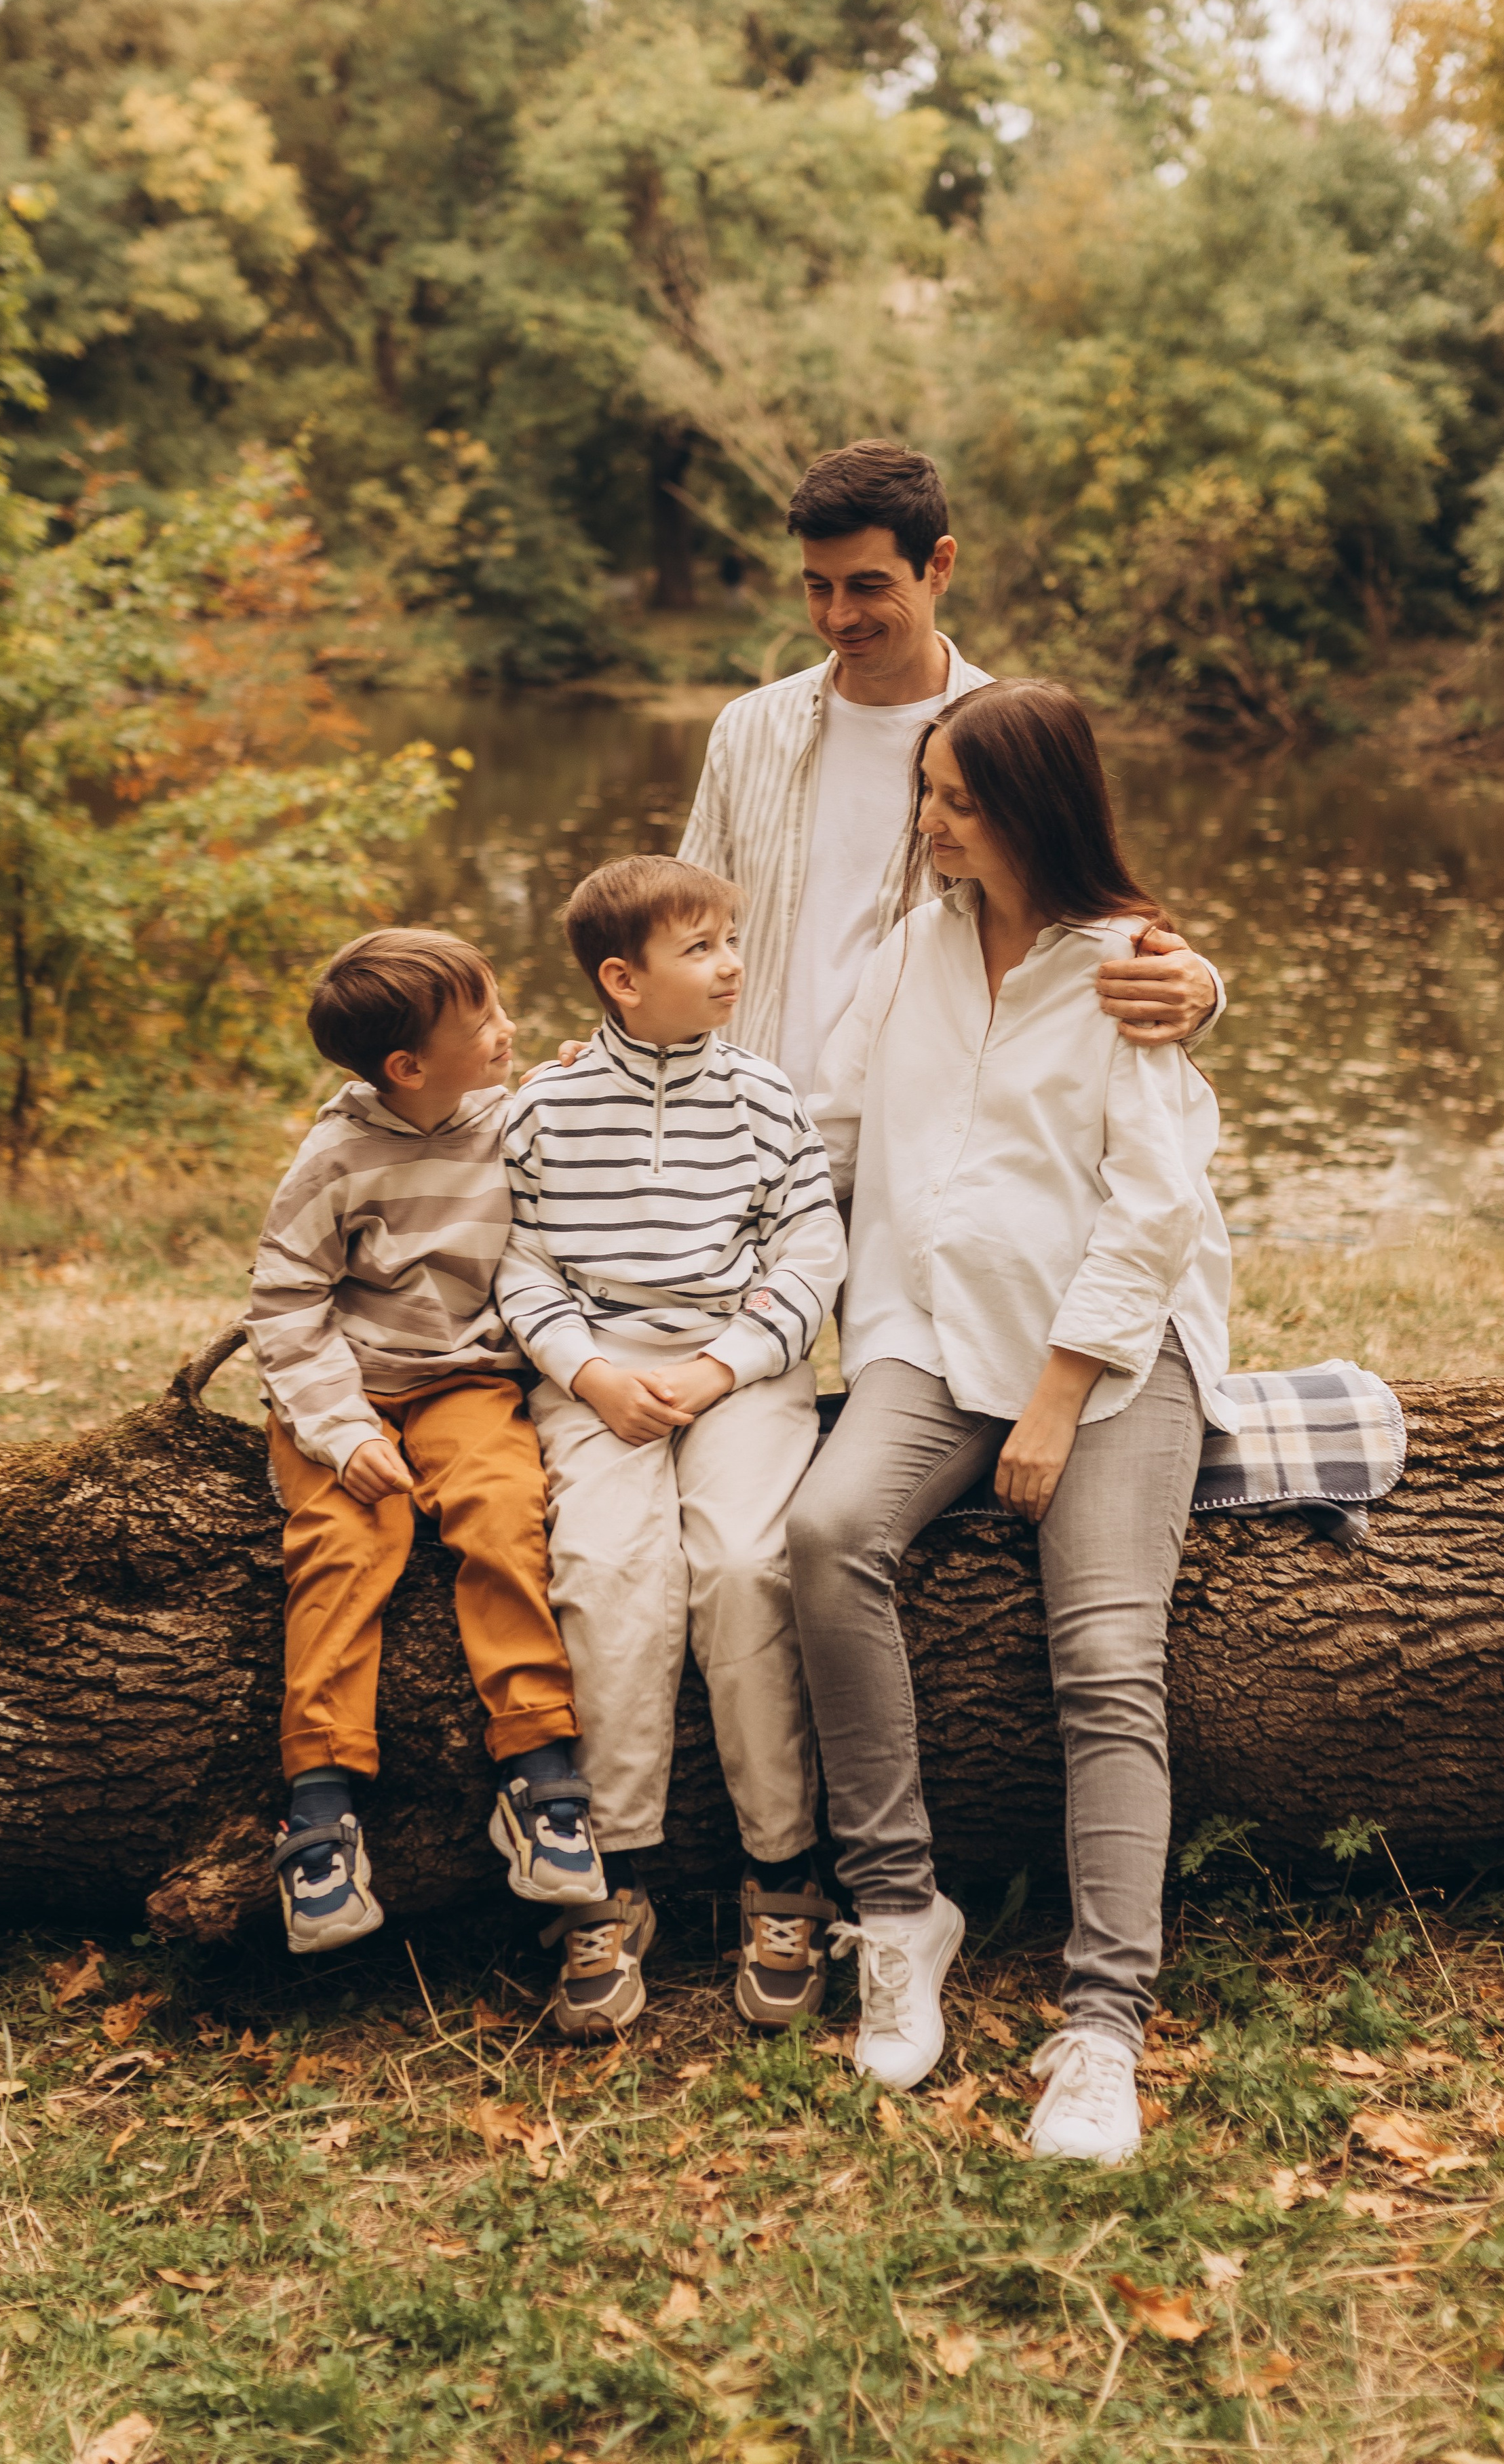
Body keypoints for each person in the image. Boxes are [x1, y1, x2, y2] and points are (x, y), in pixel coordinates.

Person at [787, 680, 1236, 2162]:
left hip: (1105, 1354)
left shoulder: (1125, 970)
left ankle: (1101, 2027)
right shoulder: (911, 949)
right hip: (924, 1333)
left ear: (1028, 811)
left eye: (955, 801)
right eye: (925, 792)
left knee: (1103, 1653)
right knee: (826, 1531)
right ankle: (902, 1909)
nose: (926, 821)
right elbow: (830, 1127)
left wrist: (1053, 1405)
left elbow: (1155, 1208)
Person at [497, 857, 847, 2037]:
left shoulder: (765, 1097)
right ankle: (611, 1882)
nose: (731, 964)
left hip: (740, 1370)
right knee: (602, 1572)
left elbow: (810, 1255)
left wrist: (720, 1367)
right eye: (700, 949)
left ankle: (784, 1869)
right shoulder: (540, 1112)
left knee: (747, 1565)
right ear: (620, 979)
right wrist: (591, 1374)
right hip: (596, 1380)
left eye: (732, 939)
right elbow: (519, 1267)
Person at [247, 927, 604, 1955]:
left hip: (465, 1379)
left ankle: (540, 1773)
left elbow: (535, 1092)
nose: (507, 1028)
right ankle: (319, 1806)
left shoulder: (507, 1115)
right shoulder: (336, 1158)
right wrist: (341, 1430)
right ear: (407, 1068)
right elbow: (285, 1302)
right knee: (348, 1545)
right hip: (345, 1391)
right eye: (483, 1019)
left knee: (502, 1512)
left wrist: (573, 1078)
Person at [678, 439, 1224, 1093]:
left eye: (869, 585)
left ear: (939, 565)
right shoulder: (748, 729)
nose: (838, 615)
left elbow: (1089, 914)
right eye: (818, 586)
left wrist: (1203, 991)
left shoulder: (1014, 741)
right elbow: (679, 928)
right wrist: (614, 1056)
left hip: (915, 1150)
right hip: (744, 1140)